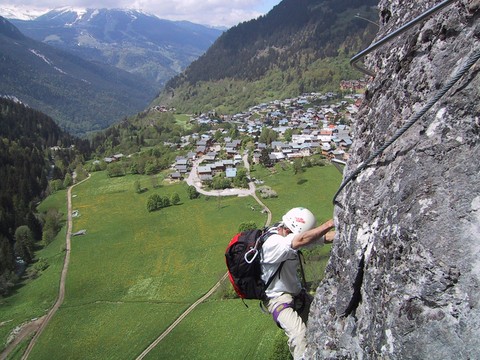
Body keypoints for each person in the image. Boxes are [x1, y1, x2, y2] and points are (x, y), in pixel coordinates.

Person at [260, 207, 335, 360]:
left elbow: (324, 238)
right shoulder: (274, 242)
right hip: (277, 299)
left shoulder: (287, 235)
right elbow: (301, 239)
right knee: (299, 334)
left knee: (326, 318)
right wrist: (330, 223)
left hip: (296, 294)